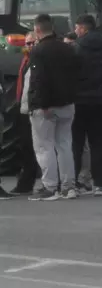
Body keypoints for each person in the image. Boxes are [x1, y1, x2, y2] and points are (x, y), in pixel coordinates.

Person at [27, 13, 81, 201]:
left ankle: (50, 186)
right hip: (67, 105)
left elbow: (38, 80)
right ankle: (69, 186)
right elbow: (77, 76)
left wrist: (42, 103)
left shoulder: (38, 51)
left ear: (37, 29)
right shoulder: (68, 49)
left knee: (45, 146)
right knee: (65, 145)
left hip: (46, 107)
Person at [72, 14, 102, 197]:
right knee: (99, 144)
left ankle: (74, 183)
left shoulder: (76, 48)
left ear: (83, 28)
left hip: (78, 102)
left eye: (76, 28)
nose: (75, 31)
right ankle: (100, 184)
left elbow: (70, 76)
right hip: (101, 102)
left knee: (75, 144)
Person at [10, 32, 40, 195]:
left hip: (35, 108)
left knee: (37, 146)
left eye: (32, 43)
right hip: (23, 107)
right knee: (26, 146)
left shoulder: (38, 60)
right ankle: (26, 181)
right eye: (27, 44)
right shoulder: (26, 60)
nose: (29, 46)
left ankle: (29, 181)